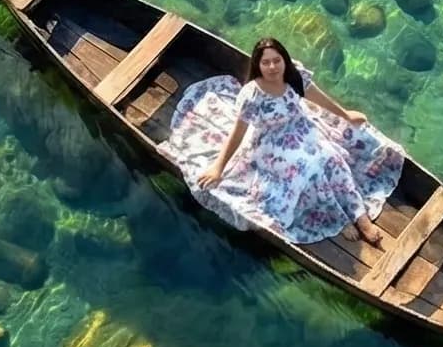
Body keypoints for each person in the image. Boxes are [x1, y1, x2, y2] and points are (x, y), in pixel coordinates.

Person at [160, 37, 404, 246]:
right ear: (258, 65)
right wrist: (218, 167)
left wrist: (344, 114)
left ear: (284, 60)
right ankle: (338, 219)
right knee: (309, 169)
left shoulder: (292, 75)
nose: (272, 66)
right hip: (269, 145)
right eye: (266, 62)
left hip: (301, 129)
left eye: (277, 60)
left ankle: (359, 215)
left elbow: (316, 96)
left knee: (331, 156)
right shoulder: (251, 95)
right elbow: (238, 132)